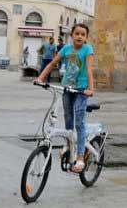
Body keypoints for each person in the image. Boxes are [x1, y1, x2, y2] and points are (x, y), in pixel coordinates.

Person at [36, 23, 94, 172]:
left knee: (79, 122)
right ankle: (69, 144)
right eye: (77, 34)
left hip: (81, 90)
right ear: (71, 35)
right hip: (67, 88)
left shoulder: (87, 49)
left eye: (83, 34)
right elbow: (52, 64)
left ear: (86, 37)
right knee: (68, 117)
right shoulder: (66, 49)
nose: (80, 36)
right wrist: (41, 78)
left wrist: (90, 89)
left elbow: (88, 69)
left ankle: (80, 157)